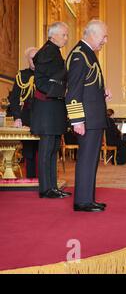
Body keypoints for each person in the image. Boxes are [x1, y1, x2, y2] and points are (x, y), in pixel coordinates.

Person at [66, 20, 112, 212]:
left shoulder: (88, 54)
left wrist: (102, 92)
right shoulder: (79, 55)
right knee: (86, 158)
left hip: (93, 117)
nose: (105, 40)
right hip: (86, 119)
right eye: (104, 36)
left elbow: (88, 86)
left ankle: (87, 198)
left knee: (91, 159)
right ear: (92, 35)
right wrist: (77, 120)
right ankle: (83, 201)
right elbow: (73, 91)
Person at [31, 22, 71, 199]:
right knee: (47, 149)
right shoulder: (48, 51)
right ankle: (46, 189)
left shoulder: (54, 51)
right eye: (64, 35)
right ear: (53, 35)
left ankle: (52, 187)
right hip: (47, 108)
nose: (66, 38)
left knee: (53, 147)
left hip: (53, 107)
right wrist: (61, 91)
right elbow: (41, 82)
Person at [9, 47, 39, 178]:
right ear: (28, 60)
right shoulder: (21, 75)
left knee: (45, 151)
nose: (35, 61)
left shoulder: (46, 74)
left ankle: (46, 182)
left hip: (44, 117)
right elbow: (14, 98)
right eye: (32, 58)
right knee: (29, 152)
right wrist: (17, 117)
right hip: (27, 117)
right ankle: (31, 179)